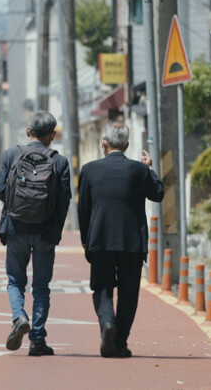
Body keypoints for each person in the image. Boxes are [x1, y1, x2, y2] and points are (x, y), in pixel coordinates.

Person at [78, 122, 164, 358]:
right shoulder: (138, 170)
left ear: (104, 143)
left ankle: (107, 323)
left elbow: (83, 209)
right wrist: (150, 169)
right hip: (132, 243)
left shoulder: (89, 169)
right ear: (126, 145)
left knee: (102, 287)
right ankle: (120, 342)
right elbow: (158, 193)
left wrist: (86, 240)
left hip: (101, 240)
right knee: (128, 293)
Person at [0, 111, 71, 356]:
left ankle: (19, 317)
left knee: (15, 280)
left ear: (29, 132)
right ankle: (37, 340)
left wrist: (15, 207)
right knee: (41, 286)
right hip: (45, 232)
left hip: (15, 228)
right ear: (53, 135)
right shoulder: (59, 162)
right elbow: (64, 200)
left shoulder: (11, 155)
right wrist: (55, 229)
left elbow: (0, 189)